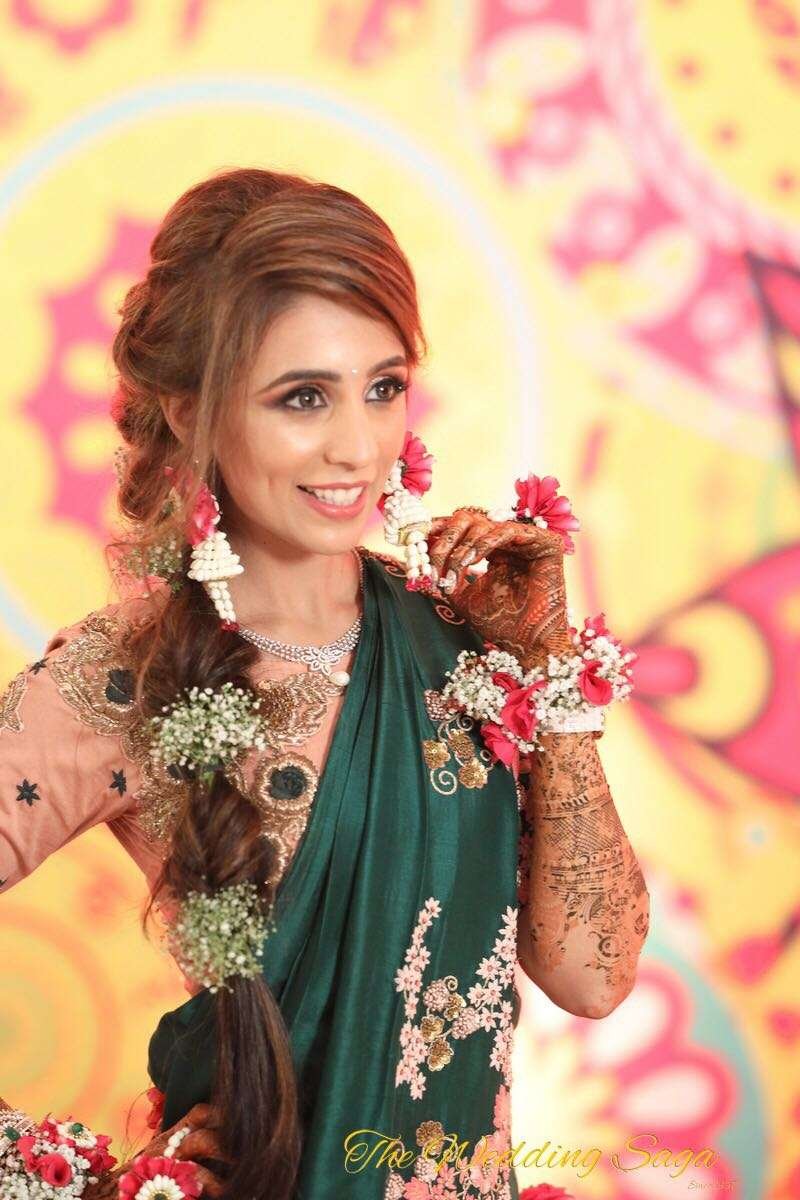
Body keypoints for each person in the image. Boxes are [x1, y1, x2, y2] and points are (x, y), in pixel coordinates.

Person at [0, 168, 649, 1200]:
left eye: (382, 387)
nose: (357, 446)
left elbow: (593, 975)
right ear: (190, 413)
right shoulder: (125, 680)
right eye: (303, 397)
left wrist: (545, 668)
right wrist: (61, 1180)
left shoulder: (459, 646)